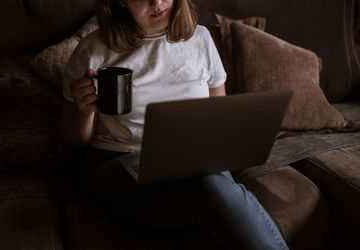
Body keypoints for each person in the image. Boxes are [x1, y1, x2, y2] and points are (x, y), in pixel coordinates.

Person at [59, 0, 289, 249]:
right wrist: (84, 110)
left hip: (192, 162)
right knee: (209, 190)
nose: (157, 3)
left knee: (211, 197)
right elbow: (71, 139)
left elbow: (218, 119)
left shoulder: (200, 39)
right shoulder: (93, 49)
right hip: (115, 164)